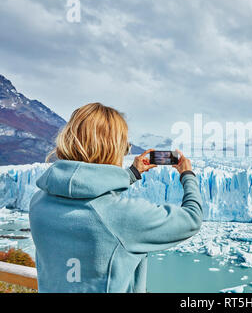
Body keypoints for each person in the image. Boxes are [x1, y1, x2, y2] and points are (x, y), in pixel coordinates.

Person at [29, 102, 202, 293]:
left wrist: (133, 173)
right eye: (124, 147)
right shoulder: (122, 216)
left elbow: (85, 193)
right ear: (112, 149)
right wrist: (187, 175)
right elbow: (191, 219)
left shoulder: (38, 203)